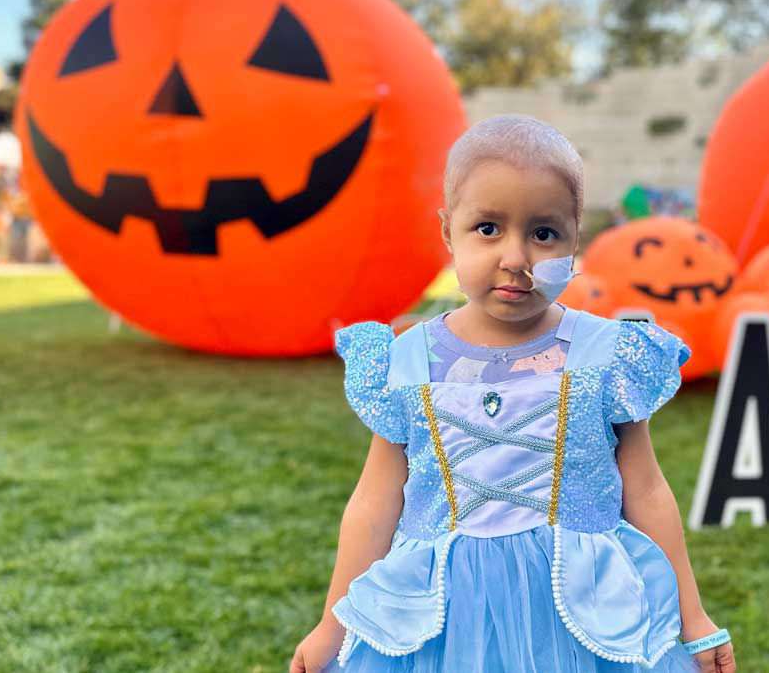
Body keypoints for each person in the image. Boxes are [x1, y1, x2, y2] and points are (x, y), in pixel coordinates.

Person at [290, 115, 736, 673]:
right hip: (443, 625)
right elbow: (375, 503)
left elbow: (646, 491)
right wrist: (333, 622)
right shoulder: (408, 361)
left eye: (544, 233)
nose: (516, 258)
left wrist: (692, 618)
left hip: (584, 616)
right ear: (447, 231)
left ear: (577, 238)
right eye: (488, 229)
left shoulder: (604, 355)